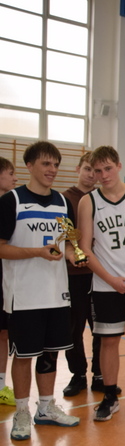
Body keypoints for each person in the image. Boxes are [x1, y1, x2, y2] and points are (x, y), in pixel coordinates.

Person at [0, 141, 81, 441]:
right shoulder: (11, 201)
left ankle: (45, 407)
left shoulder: (63, 202)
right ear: (29, 165)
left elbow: (68, 242)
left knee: (50, 353)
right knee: (23, 356)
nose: (52, 170)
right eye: (46, 164)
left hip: (56, 293)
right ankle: (22, 411)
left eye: (56, 165)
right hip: (23, 295)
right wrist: (37, 252)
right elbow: (1, 248)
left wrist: (74, 255)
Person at [77, 146, 125, 421]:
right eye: (97, 170)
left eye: (108, 168)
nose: (103, 175)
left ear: (119, 166)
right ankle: (110, 396)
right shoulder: (88, 201)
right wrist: (111, 280)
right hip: (106, 282)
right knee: (108, 340)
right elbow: (84, 249)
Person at [61, 152, 104, 397]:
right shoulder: (65, 199)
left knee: (101, 327)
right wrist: (74, 254)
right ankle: (77, 374)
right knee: (73, 329)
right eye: (87, 169)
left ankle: (100, 374)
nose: (91, 175)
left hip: (99, 273)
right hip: (73, 274)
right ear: (78, 169)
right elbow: (65, 236)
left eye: (95, 171)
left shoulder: (102, 199)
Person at [0, 157, 18, 406]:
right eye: (10, 173)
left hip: (5, 278)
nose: (15, 178)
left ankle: (1, 385)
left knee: (3, 333)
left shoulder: (8, 206)